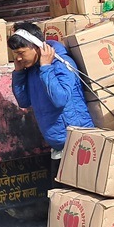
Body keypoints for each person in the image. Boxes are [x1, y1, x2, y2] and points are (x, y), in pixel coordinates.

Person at [8, 22, 94, 160]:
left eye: (21, 53)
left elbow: (60, 100)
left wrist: (46, 68)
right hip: (58, 145)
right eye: (15, 54)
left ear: (37, 47)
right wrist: (19, 73)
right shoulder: (32, 69)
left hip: (78, 142)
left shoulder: (61, 63)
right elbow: (24, 101)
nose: (18, 58)